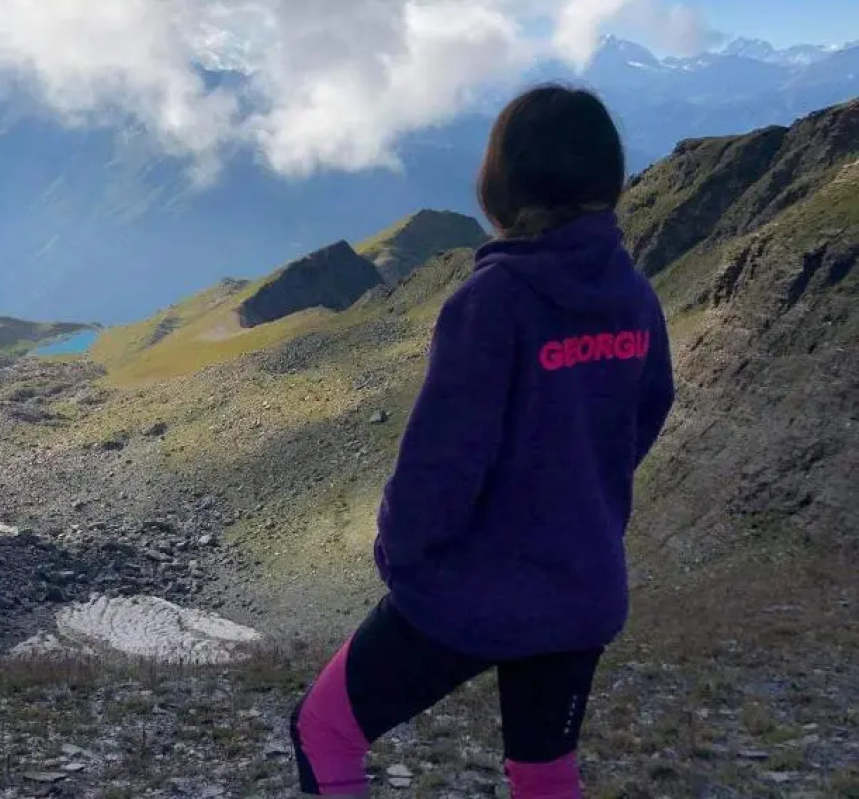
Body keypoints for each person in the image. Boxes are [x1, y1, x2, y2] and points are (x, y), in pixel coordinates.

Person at [289, 84, 676, 798]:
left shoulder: (493, 301)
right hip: (582, 588)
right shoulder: (633, 293)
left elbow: (442, 459)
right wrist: (584, 501)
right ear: (609, 177)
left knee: (325, 731)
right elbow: (648, 409)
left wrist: (403, 556)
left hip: (473, 594)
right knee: (544, 773)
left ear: (503, 179)